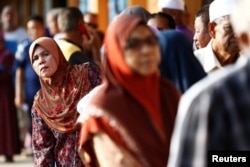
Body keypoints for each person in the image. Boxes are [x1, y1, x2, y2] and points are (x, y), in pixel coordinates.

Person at [77, 15, 181, 167]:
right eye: (133, 44)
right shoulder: (103, 109)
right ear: (115, 51)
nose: (146, 50)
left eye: (151, 41)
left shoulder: (168, 92)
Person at [167, 0, 250, 166]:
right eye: (229, 28)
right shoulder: (193, 66)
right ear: (212, 29)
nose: (236, 35)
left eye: (239, 29)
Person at [29, 37, 101, 166]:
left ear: (57, 54)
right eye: (35, 59)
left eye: (46, 54)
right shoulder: (40, 104)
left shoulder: (87, 74)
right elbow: (42, 150)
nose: (41, 61)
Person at [14, 15, 45, 153]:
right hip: (31, 90)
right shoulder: (24, 46)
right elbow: (19, 70)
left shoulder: (49, 43)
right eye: (30, 29)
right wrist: (18, 93)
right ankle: (36, 151)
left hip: (47, 91)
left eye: (35, 27)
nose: (33, 31)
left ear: (42, 27)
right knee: (32, 122)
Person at [194, 0, 240, 73]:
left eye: (242, 29)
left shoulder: (246, 63)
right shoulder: (194, 63)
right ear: (212, 29)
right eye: (229, 28)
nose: (238, 35)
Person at [0, 29, 21, 163]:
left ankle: (9, 152)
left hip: (5, 93)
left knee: (6, 121)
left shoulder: (7, 55)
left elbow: (8, 73)